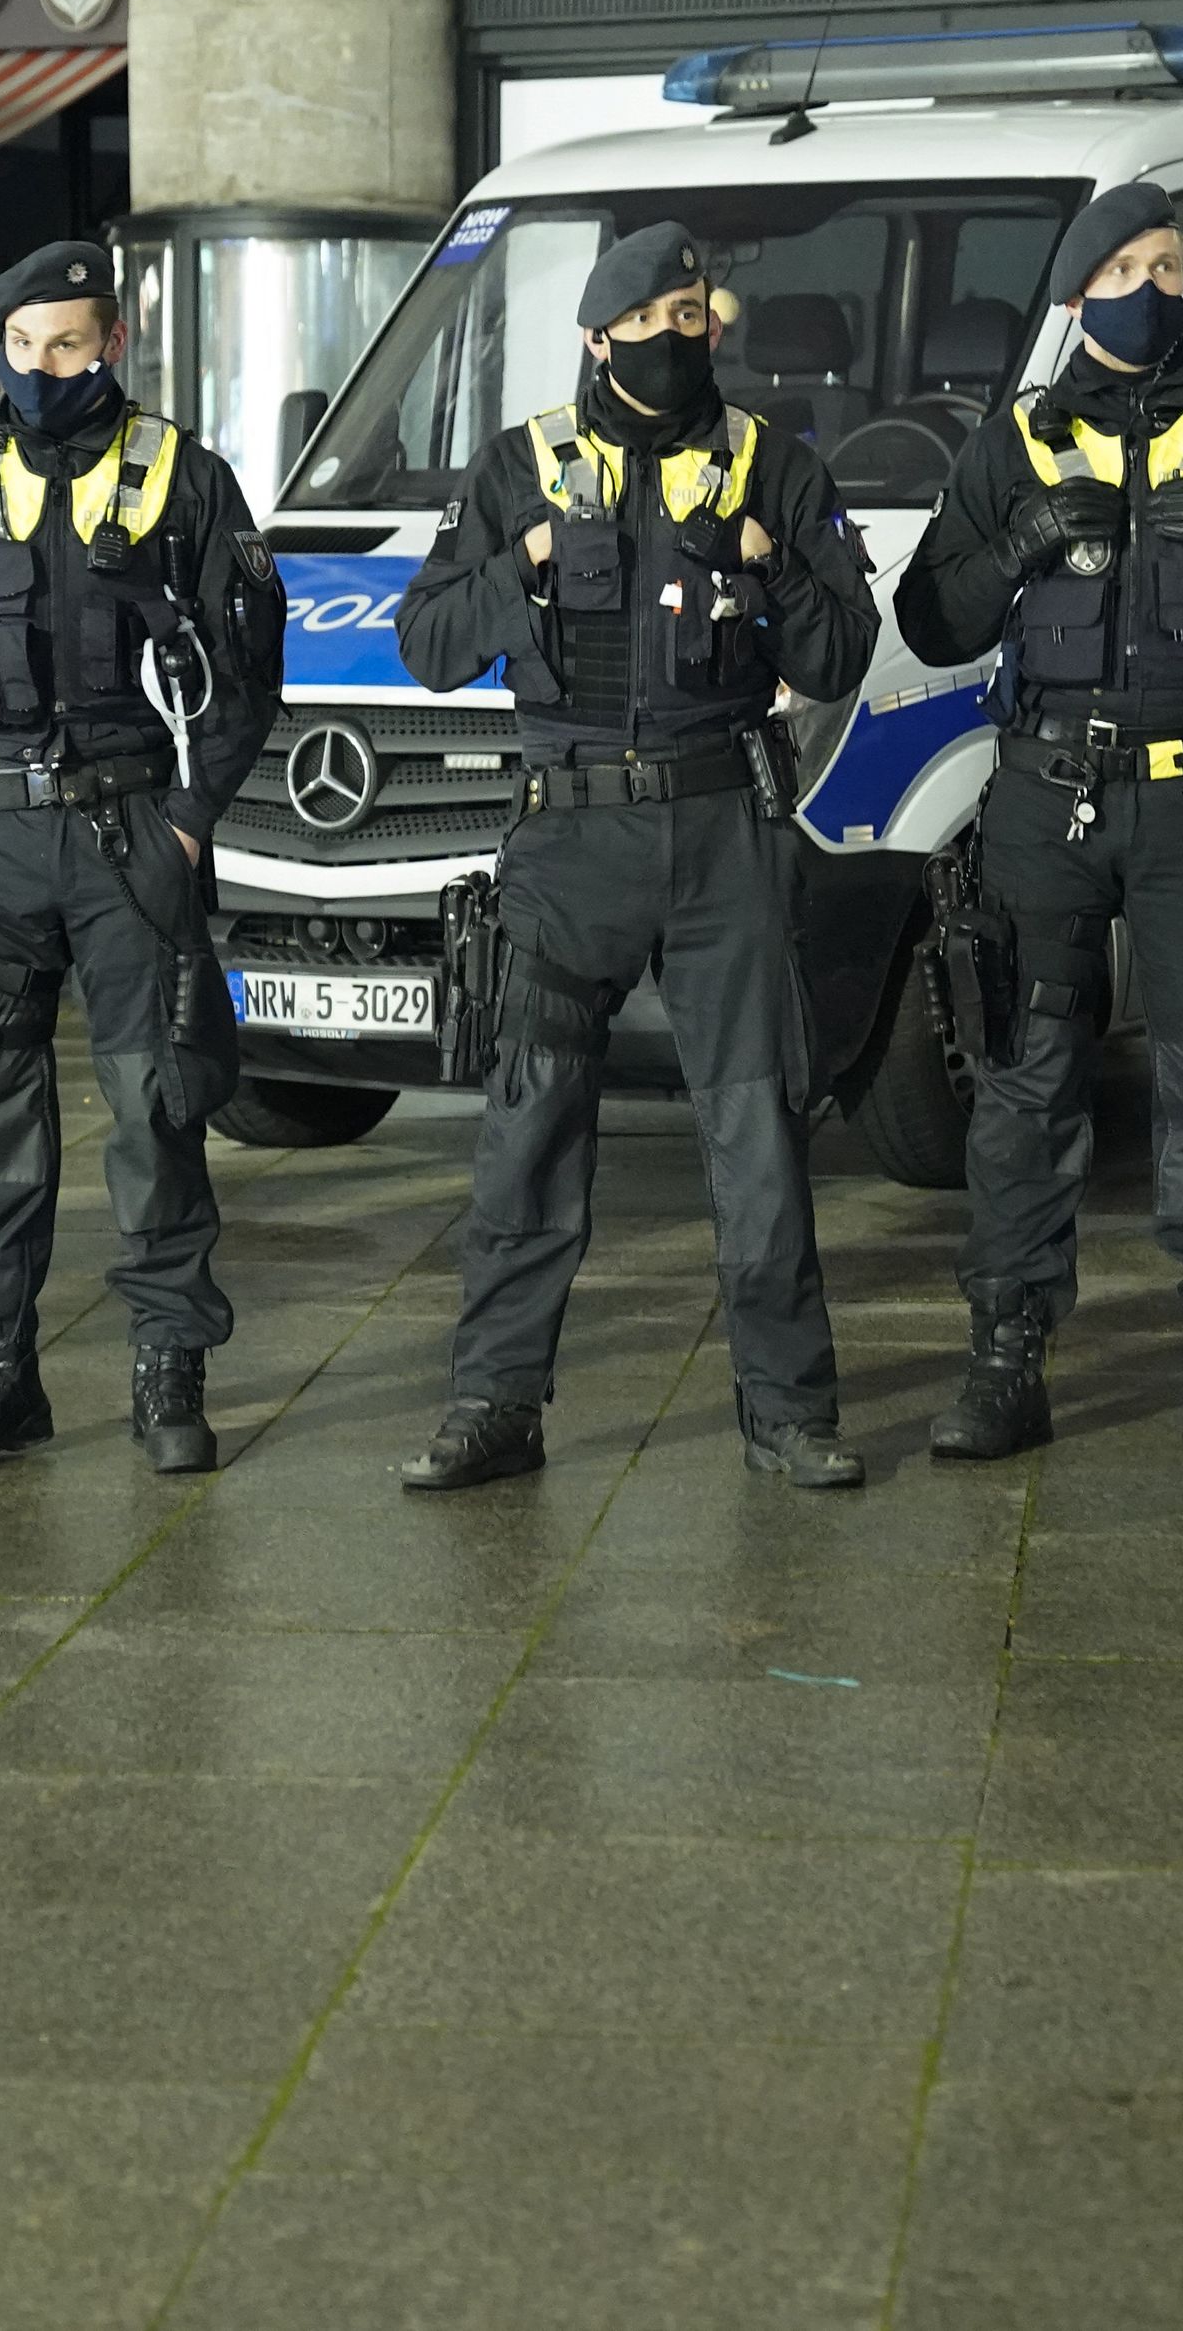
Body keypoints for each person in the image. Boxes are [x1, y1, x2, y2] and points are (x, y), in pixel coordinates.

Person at [391, 221, 878, 1493]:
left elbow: (839, 656)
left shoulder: (772, 466)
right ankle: (495, 1403)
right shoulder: (521, 469)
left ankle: (787, 1411)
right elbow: (428, 641)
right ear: (601, 338)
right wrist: (528, 560)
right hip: (570, 840)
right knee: (528, 1132)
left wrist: (768, 577)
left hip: (724, 830)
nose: (691, 340)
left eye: (699, 319)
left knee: (756, 1130)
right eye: (664, 323)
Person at [893, 181, 1183, 1467]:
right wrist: (1019, 545)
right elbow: (931, 620)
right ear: (1080, 291)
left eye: (1175, 266)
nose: (1162, 288)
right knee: (1027, 1085)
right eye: (1135, 267)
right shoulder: (1015, 445)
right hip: (1046, 798)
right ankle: (1006, 1358)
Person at [0, 242, 285, 1478]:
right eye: (25, 348)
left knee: (157, 1112)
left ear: (113, 346)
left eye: (71, 345)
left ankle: (168, 1372)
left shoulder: (183, 479)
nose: (46, 369)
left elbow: (251, 677)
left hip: (130, 834)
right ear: (0, 351)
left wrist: (192, 818)